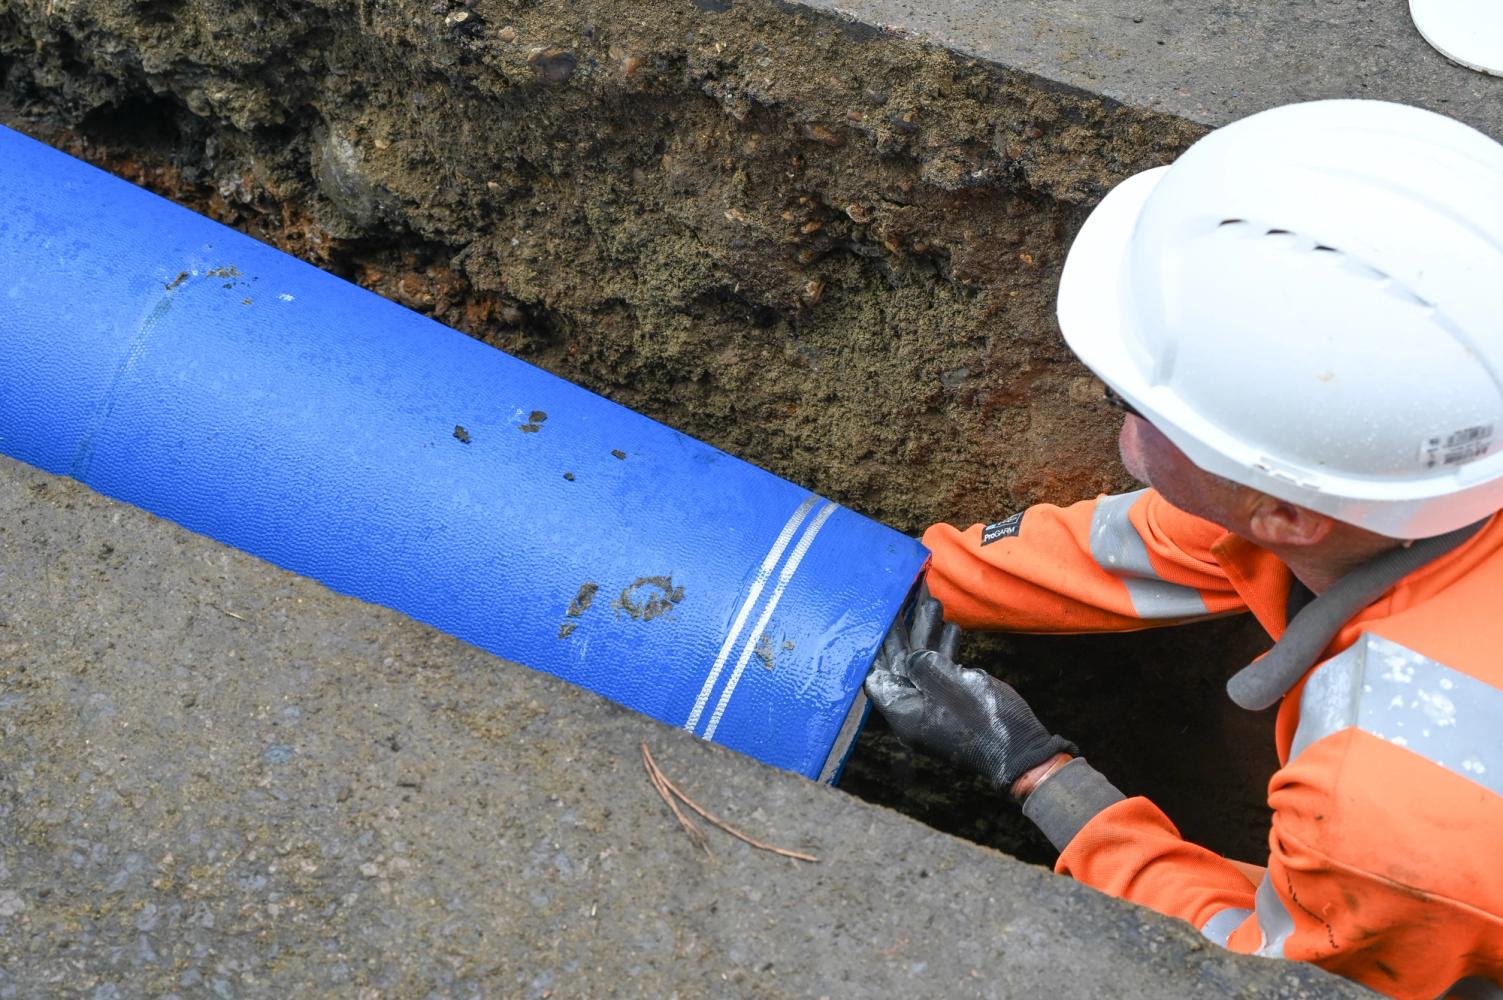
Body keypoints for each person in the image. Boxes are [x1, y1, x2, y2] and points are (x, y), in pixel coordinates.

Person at [866, 100, 1503, 999]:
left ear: (1288, 515)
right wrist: (914, 580)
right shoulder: (1416, 464)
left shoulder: (1377, 814)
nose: (1117, 413)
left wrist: (1034, 771)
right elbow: (1183, 534)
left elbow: (1249, 967)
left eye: (1133, 405)